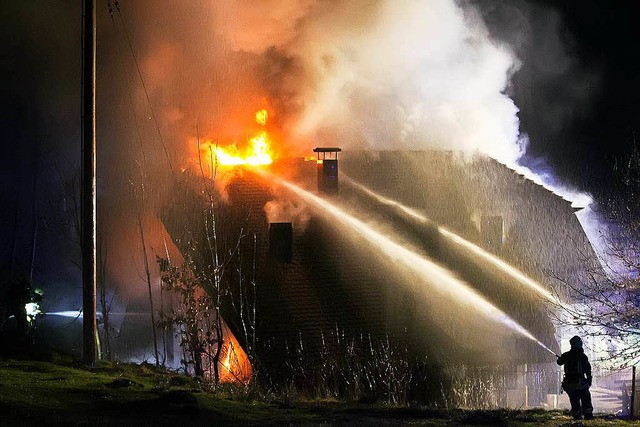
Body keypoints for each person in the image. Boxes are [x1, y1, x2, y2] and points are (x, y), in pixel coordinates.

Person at [557, 335, 593, 420]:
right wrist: (589, 380)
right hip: (581, 384)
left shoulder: (566, 355)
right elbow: (588, 370)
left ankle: (577, 417)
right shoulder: (583, 356)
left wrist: (560, 358)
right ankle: (588, 416)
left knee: (574, 401)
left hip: (570, 384)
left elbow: (559, 362)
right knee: (586, 399)